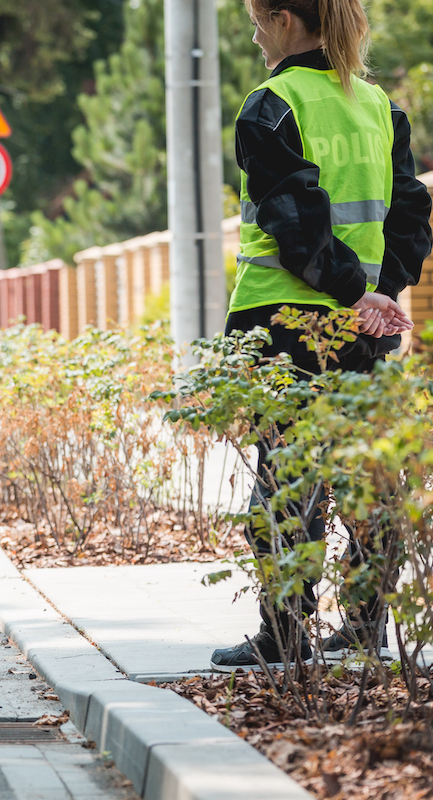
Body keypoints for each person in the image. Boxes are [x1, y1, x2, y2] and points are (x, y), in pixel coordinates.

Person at [210, 0, 431, 671]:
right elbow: (411, 212)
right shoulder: (377, 107)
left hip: (284, 318)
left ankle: (284, 632)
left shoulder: (270, 104)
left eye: (255, 18)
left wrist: (349, 291)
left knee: (288, 474)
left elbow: (291, 215)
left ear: (283, 20)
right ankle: (364, 627)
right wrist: (378, 293)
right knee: (367, 474)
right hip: (361, 325)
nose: (251, 31)